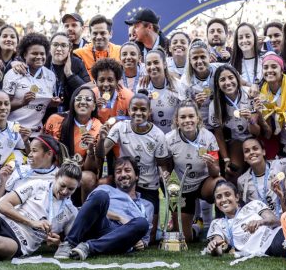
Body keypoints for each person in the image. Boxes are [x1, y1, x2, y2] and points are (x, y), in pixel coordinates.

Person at [100, 93, 170, 242]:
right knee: (119, 225)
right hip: (126, 182)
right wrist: (101, 140)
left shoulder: (158, 135)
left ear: (149, 111)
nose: (138, 113)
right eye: (135, 109)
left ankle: (157, 230)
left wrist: (165, 177)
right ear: (129, 110)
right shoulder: (120, 127)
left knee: (150, 238)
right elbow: (101, 153)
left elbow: (162, 165)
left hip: (149, 185)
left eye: (143, 109)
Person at [54, 157, 154, 260]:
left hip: (121, 235)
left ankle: (88, 247)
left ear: (136, 175)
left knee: (142, 223)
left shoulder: (147, 205)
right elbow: (89, 210)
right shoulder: (105, 189)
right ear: (114, 177)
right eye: (118, 172)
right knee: (101, 195)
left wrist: (142, 243)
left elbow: (145, 236)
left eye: (127, 170)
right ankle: (69, 243)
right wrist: (119, 217)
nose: (123, 174)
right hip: (100, 224)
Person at [164, 101, 222, 242]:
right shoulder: (169, 139)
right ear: (177, 121)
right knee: (185, 238)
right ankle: (197, 227)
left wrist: (210, 164)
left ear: (198, 118)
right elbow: (167, 168)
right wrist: (166, 175)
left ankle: (222, 226)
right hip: (182, 187)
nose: (187, 120)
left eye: (191, 116)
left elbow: (216, 172)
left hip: (203, 183)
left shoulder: (208, 137)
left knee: (221, 184)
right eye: (183, 117)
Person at [44, 84, 102, 203]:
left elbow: (91, 169)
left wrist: (91, 150)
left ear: (94, 106)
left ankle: (84, 211)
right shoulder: (56, 119)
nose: (83, 102)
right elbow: (44, 150)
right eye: (79, 98)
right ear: (73, 102)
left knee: (89, 178)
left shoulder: (98, 127)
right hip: (55, 168)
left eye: (88, 99)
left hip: (79, 173)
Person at [208, 64, 269, 174]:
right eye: (222, 80)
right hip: (237, 140)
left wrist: (250, 119)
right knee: (232, 172)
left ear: (237, 79)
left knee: (261, 168)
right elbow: (219, 135)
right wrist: (226, 159)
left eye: (231, 77)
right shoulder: (214, 105)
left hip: (255, 137)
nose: (227, 82)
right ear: (217, 84)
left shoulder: (250, 94)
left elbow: (257, 132)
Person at [205, 180, 286, 259]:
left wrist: (260, 222)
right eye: (219, 197)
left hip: (275, 235)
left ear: (237, 197)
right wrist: (214, 246)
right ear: (215, 203)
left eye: (227, 194)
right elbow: (218, 246)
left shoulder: (253, 205)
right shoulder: (217, 223)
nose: (223, 199)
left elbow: (275, 221)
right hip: (264, 249)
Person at [4, 32, 58, 134]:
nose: (39, 56)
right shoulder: (14, 73)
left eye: (42, 53)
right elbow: (3, 106)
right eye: (34, 53)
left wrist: (52, 103)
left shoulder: (50, 76)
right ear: (25, 55)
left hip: (36, 131)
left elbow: (41, 104)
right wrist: (22, 102)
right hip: (13, 130)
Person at [137, 47, 185, 133]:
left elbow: (185, 112)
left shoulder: (178, 85)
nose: (152, 67)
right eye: (149, 64)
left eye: (156, 62)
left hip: (175, 134)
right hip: (152, 134)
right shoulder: (142, 86)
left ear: (165, 64)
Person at [236, 137, 286, 213]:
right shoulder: (242, 181)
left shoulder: (281, 165)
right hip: (262, 219)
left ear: (263, 152)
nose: (251, 152)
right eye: (247, 151)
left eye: (255, 148)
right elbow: (247, 206)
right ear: (244, 157)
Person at [45, 32, 90, 117]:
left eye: (63, 45)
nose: (59, 49)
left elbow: (87, 90)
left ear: (69, 48)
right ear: (50, 47)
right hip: (46, 113)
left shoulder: (77, 63)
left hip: (71, 114)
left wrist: (70, 74)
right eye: (55, 45)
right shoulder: (43, 62)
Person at [182, 39, 222, 123]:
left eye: (203, 57)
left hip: (220, 121)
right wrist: (196, 104)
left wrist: (250, 86)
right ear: (190, 60)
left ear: (209, 57)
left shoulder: (220, 69)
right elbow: (185, 111)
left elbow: (239, 81)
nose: (199, 61)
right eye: (195, 58)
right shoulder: (185, 80)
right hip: (199, 123)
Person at [91, 57, 133, 124]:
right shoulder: (90, 97)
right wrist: (93, 109)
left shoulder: (128, 97)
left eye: (110, 80)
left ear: (117, 81)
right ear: (96, 82)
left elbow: (135, 120)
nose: (106, 84)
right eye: (101, 80)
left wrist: (119, 118)